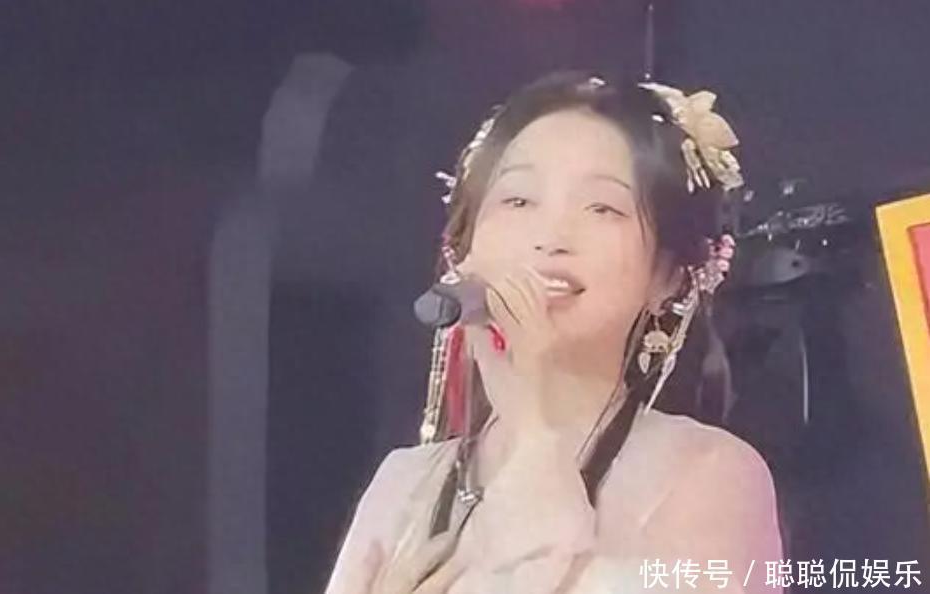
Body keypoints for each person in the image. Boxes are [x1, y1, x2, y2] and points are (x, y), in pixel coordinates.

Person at [325, 71, 783, 594]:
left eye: (602, 208)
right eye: (519, 201)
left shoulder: (711, 474)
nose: (552, 236)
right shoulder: (404, 484)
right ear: (463, 253)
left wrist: (535, 431)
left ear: (670, 276)